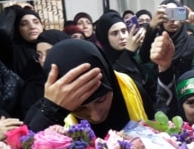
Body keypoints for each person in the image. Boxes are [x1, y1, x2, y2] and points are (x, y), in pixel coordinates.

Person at [25, 39, 153, 138]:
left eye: (101, 100)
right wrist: (51, 112)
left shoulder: (132, 90)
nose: (95, 116)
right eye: (80, 108)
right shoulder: (44, 114)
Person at [94, 11, 150, 94]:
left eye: (124, 31)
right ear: (105, 38)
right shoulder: (103, 64)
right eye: (114, 33)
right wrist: (127, 54)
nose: (122, 37)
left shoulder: (134, 56)